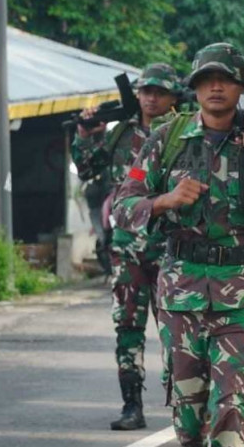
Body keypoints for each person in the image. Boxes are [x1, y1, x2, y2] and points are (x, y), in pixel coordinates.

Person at [112, 43, 244, 447]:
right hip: (181, 296)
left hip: (241, 294)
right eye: (206, 80)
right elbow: (123, 207)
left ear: (241, 86)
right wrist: (165, 200)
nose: (216, 87)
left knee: (230, 413)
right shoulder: (168, 139)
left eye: (226, 79)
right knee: (189, 419)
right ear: (195, 88)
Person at [71, 62, 180, 431]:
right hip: (128, 246)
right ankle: (131, 404)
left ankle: (184, 401)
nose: (151, 98)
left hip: (172, 247)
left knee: (176, 327)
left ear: (173, 97)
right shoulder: (121, 134)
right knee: (127, 325)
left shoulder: (184, 133)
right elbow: (87, 169)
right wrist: (88, 134)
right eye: (146, 91)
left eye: (160, 92)